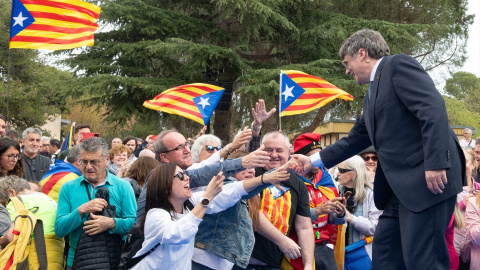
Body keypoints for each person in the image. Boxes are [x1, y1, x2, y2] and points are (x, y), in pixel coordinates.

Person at [290, 29, 465, 269]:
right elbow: (354, 140)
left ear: (362, 53)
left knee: (425, 261)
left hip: (428, 184)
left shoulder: (397, 65)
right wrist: (312, 161)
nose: (346, 70)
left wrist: (435, 163)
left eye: (346, 62)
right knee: (385, 258)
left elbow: (432, 109)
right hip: (397, 191)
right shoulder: (370, 95)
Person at [133, 161, 289, 269]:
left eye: (186, 174)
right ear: (165, 186)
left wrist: (264, 178)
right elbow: (179, 234)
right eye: (180, 176)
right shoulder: (155, 215)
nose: (187, 177)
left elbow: (229, 193)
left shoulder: (189, 204)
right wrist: (206, 198)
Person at [135, 129, 271, 223]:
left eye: (187, 145)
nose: (187, 150)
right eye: (179, 148)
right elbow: (202, 173)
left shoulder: (181, 175)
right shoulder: (161, 176)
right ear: (164, 157)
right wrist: (243, 163)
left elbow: (203, 168)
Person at [54, 137, 137, 270]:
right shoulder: (68, 187)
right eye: (84, 161)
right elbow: (59, 229)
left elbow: (133, 225)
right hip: (77, 261)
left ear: (107, 160)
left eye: (94, 162)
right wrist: (80, 211)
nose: (88, 167)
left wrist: (111, 223)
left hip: (112, 261)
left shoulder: (123, 187)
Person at [249, 131, 314, 270]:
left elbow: (304, 227)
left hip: (273, 264)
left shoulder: (299, 184)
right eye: (268, 150)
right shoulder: (251, 173)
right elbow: (252, 213)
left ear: (289, 152)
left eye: (279, 150)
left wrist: (308, 264)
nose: (274, 155)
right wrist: (282, 240)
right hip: (243, 262)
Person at [291, 133, 346, 270]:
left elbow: (334, 221)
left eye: (320, 156)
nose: (319, 161)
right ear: (300, 158)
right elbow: (287, 218)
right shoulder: (288, 180)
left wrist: (340, 214)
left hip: (324, 247)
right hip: (297, 248)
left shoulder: (325, 179)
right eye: (313, 157)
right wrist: (318, 211)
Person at [0, 175, 64, 269]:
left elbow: (11, 237)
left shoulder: (16, 201)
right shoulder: (51, 200)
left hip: (34, 259)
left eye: (4, 202)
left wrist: (2, 242)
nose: (7, 204)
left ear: (11, 192)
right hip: (57, 256)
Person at [337, 156, 381, 261]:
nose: (337, 173)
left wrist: (350, 218)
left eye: (342, 170)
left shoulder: (372, 194)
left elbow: (375, 227)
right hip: (340, 253)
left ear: (354, 173)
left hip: (362, 255)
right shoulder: (337, 191)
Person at [454, 148, 479, 268]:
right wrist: (462, 205)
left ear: (474, 164)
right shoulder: (450, 189)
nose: (461, 165)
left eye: (465, 161)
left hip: (474, 250)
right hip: (455, 247)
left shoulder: (478, 188)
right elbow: (442, 218)